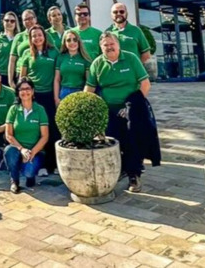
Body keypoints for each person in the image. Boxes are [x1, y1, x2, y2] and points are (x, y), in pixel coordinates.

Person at [85, 31, 151, 193]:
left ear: (118, 44)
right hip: (108, 108)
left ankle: (134, 175)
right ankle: (118, 170)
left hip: (131, 106)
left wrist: (131, 107)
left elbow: (145, 84)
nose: (109, 47)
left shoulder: (131, 58)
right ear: (101, 48)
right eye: (105, 45)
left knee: (131, 140)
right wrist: (87, 106)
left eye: (111, 43)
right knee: (111, 140)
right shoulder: (97, 64)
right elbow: (89, 89)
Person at [16, 25, 59, 170]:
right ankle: (36, 163)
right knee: (36, 130)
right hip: (33, 96)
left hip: (49, 95)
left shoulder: (54, 52)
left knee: (51, 129)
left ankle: (52, 164)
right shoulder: (27, 54)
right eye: (34, 36)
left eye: (39, 35)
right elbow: (23, 77)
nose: (37, 38)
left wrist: (56, 97)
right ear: (30, 38)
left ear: (44, 36)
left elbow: (58, 76)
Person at [4, 77, 49, 194]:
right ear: (18, 93)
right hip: (17, 148)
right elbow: (8, 135)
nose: (25, 92)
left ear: (33, 91)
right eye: (21, 89)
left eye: (27, 88)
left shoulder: (40, 110)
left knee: (28, 172)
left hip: (35, 151)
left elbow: (45, 136)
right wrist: (22, 149)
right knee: (9, 151)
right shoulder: (13, 109)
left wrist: (31, 152)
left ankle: (30, 176)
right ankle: (14, 181)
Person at [54, 29, 90, 107]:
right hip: (64, 92)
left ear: (78, 41)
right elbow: (57, 79)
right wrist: (56, 98)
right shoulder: (60, 57)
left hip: (80, 92)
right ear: (65, 43)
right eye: (68, 40)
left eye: (75, 40)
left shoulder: (85, 59)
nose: (72, 42)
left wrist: (85, 95)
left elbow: (88, 81)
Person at [7, 9, 41, 87]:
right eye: (26, 19)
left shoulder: (43, 34)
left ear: (35, 19)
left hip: (39, 73)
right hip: (21, 74)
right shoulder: (19, 37)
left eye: (31, 18)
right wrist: (10, 80)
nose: (29, 21)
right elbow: (12, 60)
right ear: (22, 22)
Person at [0, 12, 19, 84]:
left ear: (16, 23)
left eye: (12, 21)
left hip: (17, 75)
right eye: (7, 20)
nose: (9, 23)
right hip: (1, 76)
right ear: (3, 22)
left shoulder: (19, 39)